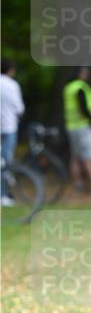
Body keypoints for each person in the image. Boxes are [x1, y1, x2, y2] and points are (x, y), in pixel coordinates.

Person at [63, 66, 91, 193]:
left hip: (71, 126)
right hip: (84, 126)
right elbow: (84, 107)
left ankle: (78, 183)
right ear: (81, 73)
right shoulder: (81, 87)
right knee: (89, 156)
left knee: (75, 156)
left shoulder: (68, 87)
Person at [0, 59, 25, 206]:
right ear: (10, 70)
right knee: (6, 162)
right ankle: (4, 195)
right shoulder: (12, 85)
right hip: (9, 127)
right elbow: (19, 108)